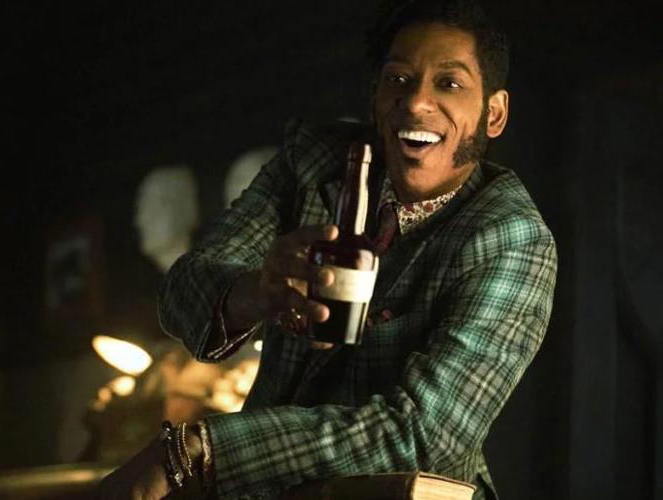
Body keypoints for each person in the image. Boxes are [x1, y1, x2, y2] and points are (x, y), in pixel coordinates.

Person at [100, 0, 557, 498]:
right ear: (375, 96)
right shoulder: (314, 161)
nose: (415, 103)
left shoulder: (513, 238)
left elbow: (420, 435)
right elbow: (179, 295)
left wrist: (201, 450)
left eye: (449, 83)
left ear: (494, 113)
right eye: (398, 79)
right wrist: (255, 292)